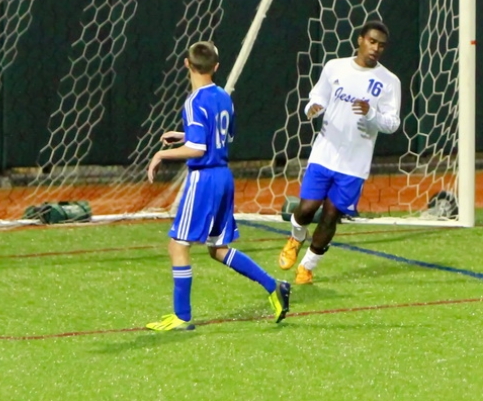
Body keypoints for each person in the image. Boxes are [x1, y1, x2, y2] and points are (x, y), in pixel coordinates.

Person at [145, 41, 290, 331]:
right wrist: (183, 135)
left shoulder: (194, 101)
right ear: (217, 67)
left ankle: (182, 317)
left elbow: (198, 149)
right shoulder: (224, 96)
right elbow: (221, 136)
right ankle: (274, 286)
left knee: (177, 245)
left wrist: (161, 154)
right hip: (223, 176)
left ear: (186, 64)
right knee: (218, 248)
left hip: (204, 178)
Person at [278, 20, 401, 284]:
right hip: (325, 152)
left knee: (331, 215)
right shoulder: (335, 67)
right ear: (360, 40)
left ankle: (307, 266)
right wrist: (312, 108)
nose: (376, 48)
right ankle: (296, 237)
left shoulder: (389, 82)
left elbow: (392, 123)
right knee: (307, 208)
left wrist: (372, 114)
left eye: (381, 45)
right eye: (372, 41)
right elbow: (317, 97)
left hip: (355, 163)